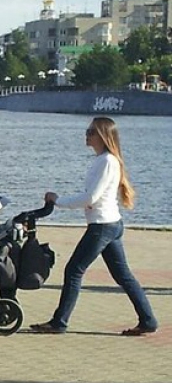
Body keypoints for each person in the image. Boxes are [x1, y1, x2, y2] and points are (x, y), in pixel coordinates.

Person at [30, 116, 159, 336]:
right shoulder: (104, 160)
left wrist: (58, 200)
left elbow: (91, 198)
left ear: (103, 136)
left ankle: (59, 322)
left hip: (102, 227)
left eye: (91, 132)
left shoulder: (107, 161)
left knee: (74, 270)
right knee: (123, 275)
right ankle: (148, 321)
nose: (86, 134)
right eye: (87, 131)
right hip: (110, 224)